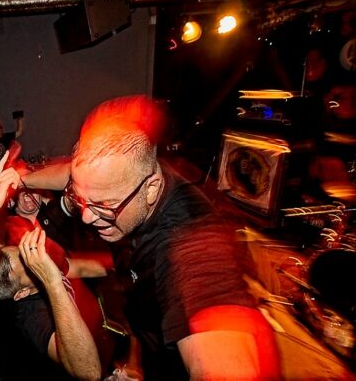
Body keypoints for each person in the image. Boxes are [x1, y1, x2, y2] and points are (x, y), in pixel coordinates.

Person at [21, 95, 281, 379]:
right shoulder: (128, 179)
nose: (86, 217)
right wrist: (21, 179)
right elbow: (73, 177)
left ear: (152, 189)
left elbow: (225, 364)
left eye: (104, 205)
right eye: (81, 199)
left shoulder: (191, 238)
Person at [0, 227, 101, 380]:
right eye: (27, 266)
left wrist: (116, 267)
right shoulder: (32, 317)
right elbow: (90, 372)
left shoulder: (39, 276)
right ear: (23, 293)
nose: (33, 259)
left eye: (23, 253)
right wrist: (53, 283)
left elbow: (78, 268)